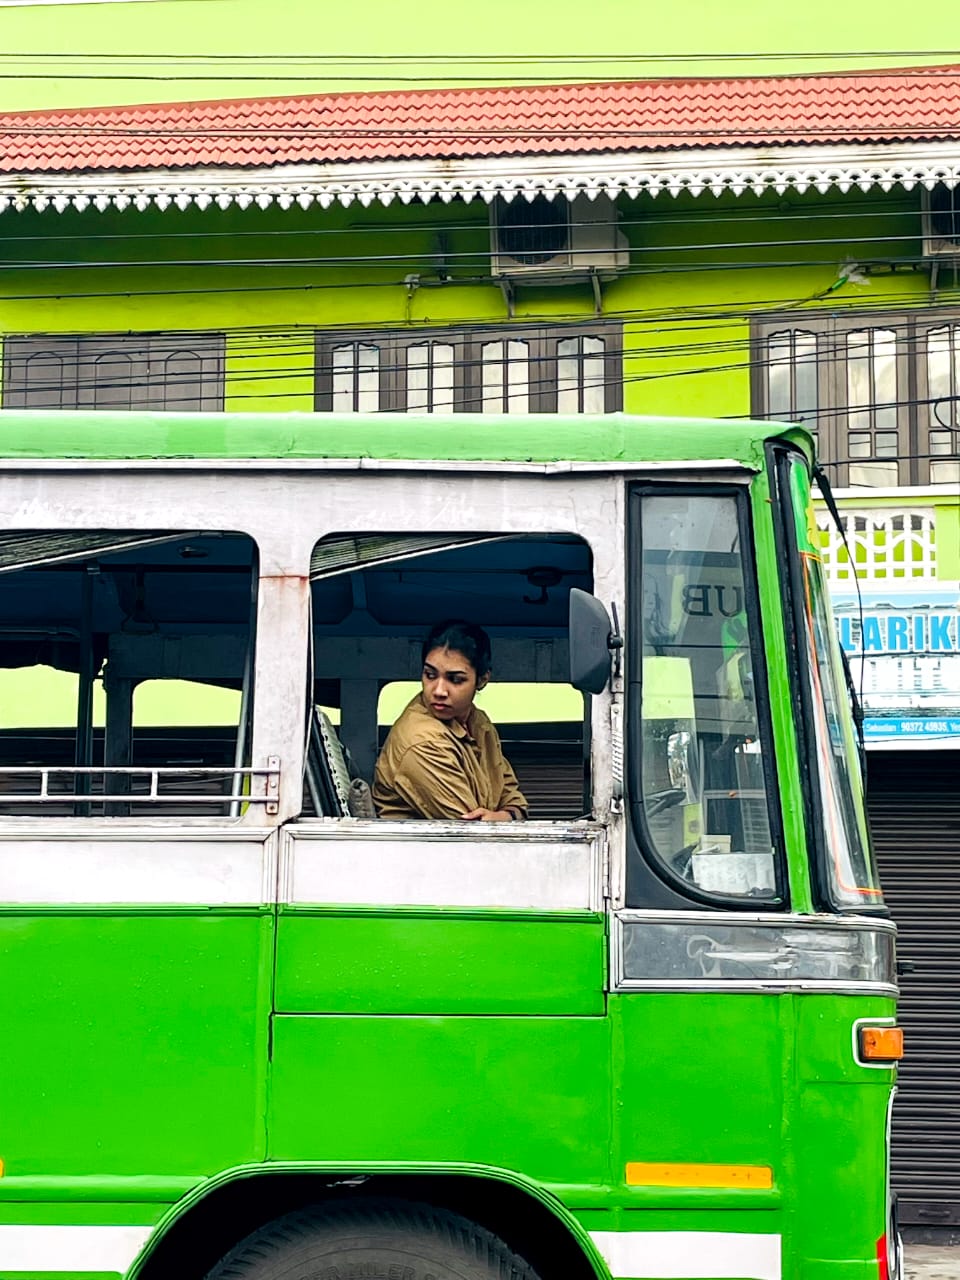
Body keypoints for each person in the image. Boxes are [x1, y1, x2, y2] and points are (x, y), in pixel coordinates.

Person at [373, 619, 528, 822]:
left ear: (482, 680)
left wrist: (504, 816)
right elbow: (470, 828)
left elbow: (516, 801)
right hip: (420, 851)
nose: (438, 691)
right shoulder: (422, 741)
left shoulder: (480, 724)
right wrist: (504, 817)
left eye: (455, 679)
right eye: (430, 675)